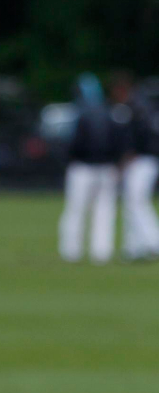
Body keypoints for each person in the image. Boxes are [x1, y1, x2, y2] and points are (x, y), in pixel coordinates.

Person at [58, 73, 128, 263]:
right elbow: (120, 143)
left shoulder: (80, 113)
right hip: (106, 168)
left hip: (82, 168)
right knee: (104, 212)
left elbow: (72, 143)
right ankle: (101, 253)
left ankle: (71, 252)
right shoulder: (110, 112)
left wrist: (70, 159)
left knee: (75, 210)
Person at [122, 80, 159, 261]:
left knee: (136, 201)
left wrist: (126, 159)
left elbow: (134, 140)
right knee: (132, 202)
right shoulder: (149, 112)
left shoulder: (139, 111)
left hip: (141, 161)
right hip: (148, 161)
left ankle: (152, 242)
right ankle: (134, 247)